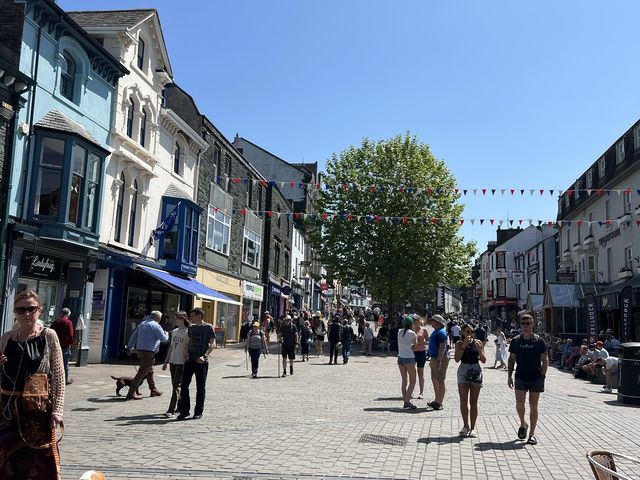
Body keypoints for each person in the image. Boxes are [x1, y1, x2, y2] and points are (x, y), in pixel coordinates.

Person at [0, 290, 65, 478]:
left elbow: (59, 376)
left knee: (40, 459)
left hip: (38, 409)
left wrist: (57, 410)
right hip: (7, 409)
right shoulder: (6, 338)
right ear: (15, 313)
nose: (26, 313)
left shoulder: (49, 336)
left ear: (40, 310)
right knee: (7, 456)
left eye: (31, 308)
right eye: (21, 310)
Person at [507, 314, 548, 445]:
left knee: (533, 406)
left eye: (528, 323)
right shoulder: (516, 340)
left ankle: (532, 434)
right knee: (520, 405)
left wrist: (543, 375)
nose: (525, 326)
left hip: (535, 377)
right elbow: (511, 359)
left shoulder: (538, 340)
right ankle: (523, 423)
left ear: (533, 324)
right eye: (523, 323)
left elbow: (545, 359)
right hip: (520, 376)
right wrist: (509, 376)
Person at [176, 308, 216, 420]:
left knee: (200, 387)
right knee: (184, 386)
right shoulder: (191, 328)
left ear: (199, 316)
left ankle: (198, 412)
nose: (190, 318)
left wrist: (204, 356)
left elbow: (213, 344)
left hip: (201, 362)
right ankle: (184, 411)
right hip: (190, 360)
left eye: (192, 316)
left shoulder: (208, 327)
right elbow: (187, 342)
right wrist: (185, 353)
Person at [125, 311, 169, 400]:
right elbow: (164, 339)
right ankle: (131, 393)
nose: (161, 319)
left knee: (149, 371)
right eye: (160, 318)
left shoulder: (142, 324)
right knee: (141, 373)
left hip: (140, 351)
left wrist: (129, 348)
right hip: (149, 353)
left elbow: (134, 336)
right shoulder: (156, 325)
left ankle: (153, 390)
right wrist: (167, 334)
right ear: (157, 318)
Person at [455, 323, 486, 438]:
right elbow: (457, 359)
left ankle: (473, 428)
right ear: (463, 332)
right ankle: (465, 425)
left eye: (472, 332)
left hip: (475, 369)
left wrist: (479, 350)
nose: (470, 334)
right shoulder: (459, 343)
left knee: (474, 401)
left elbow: (483, 360)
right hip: (463, 370)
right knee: (463, 400)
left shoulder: (478, 342)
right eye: (467, 332)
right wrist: (464, 345)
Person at [162, 311, 190, 417]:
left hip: (181, 362)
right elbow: (171, 347)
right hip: (173, 361)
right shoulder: (174, 331)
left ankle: (171, 410)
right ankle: (179, 407)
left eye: (177, 318)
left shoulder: (188, 332)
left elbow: (189, 347)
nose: (175, 320)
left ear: (182, 319)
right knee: (175, 385)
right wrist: (166, 361)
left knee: (176, 386)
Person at [427, 314, 449, 410]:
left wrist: (439, 361)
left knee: (440, 380)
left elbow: (442, 347)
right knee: (434, 378)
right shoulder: (437, 331)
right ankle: (437, 400)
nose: (432, 322)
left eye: (434, 320)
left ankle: (440, 402)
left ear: (438, 323)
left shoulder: (441, 332)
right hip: (434, 357)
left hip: (440, 358)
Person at [397, 316, 418, 409]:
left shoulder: (399, 331)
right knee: (412, 381)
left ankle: (405, 399)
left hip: (400, 357)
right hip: (409, 358)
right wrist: (411, 347)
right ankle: (407, 401)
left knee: (404, 380)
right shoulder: (412, 333)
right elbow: (415, 346)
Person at [50, 307, 75, 385]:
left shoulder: (55, 322)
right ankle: (64, 380)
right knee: (64, 363)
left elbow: (50, 332)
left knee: (54, 363)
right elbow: (71, 335)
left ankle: (53, 379)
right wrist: (69, 343)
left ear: (61, 314)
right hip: (65, 346)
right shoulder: (68, 323)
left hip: (55, 345)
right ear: (68, 314)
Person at [412, 316, 429, 400]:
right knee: (412, 373)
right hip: (412, 353)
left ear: (419, 321)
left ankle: (421, 392)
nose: (415, 323)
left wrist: (423, 343)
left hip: (421, 352)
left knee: (420, 373)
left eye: (416, 321)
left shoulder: (424, 330)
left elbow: (428, 341)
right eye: (414, 321)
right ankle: (411, 391)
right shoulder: (411, 330)